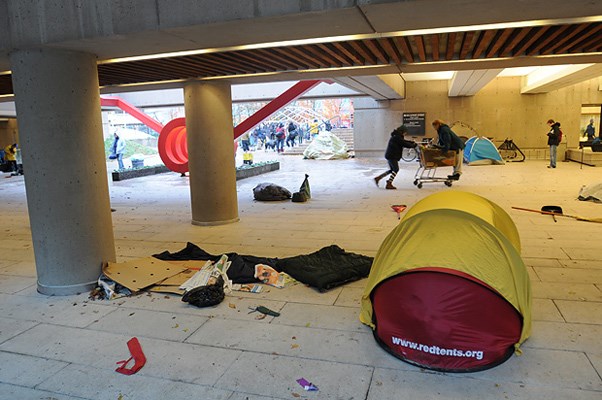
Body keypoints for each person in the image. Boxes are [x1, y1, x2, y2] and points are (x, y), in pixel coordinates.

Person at [373, 125, 417, 190]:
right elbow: (404, 143)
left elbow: (404, 141)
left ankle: (378, 178)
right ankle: (389, 183)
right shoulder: (397, 137)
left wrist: (411, 142)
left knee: (392, 170)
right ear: (402, 131)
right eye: (405, 132)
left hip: (390, 155)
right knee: (396, 169)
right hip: (392, 156)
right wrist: (413, 145)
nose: (406, 133)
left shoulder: (396, 136)